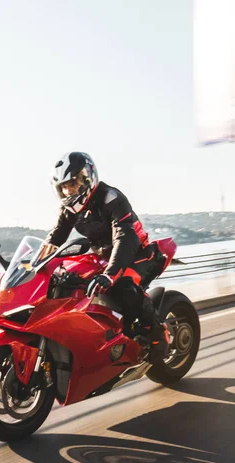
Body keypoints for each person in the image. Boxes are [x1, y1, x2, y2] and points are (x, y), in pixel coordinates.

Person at [41, 151, 169, 361]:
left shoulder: (111, 199)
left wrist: (110, 273)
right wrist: (33, 265)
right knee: (67, 278)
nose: (67, 191)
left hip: (137, 252)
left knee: (123, 285)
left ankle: (157, 333)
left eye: (71, 184)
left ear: (87, 178)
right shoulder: (70, 208)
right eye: (63, 187)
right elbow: (56, 237)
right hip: (102, 255)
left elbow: (124, 237)